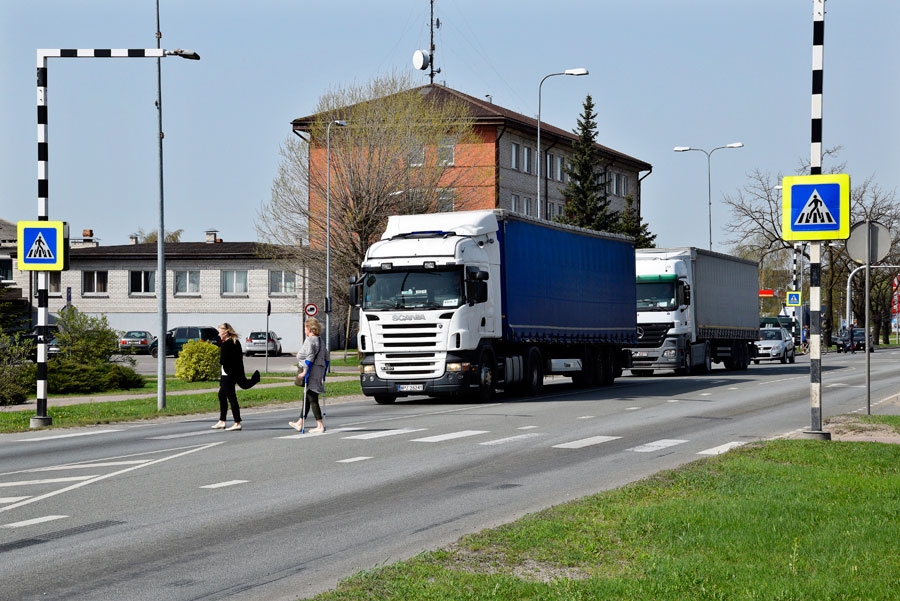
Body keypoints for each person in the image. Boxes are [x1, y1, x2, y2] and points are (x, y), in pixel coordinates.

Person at [212, 322, 261, 431]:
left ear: (225, 332)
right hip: (231, 373)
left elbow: (222, 361)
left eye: (219, 332)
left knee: (231, 398)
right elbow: (238, 360)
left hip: (228, 375)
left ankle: (237, 422)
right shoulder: (235, 342)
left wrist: (223, 360)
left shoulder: (226, 344)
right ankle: (222, 421)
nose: (218, 334)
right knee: (222, 395)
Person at [289, 317, 329, 434]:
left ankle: (320, 425)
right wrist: (324, 372)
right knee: (307, 396)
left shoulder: (310, 341)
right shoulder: (320, 341)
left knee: (312, 397)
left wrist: (305, 372)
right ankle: (300, 422)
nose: (304, 330)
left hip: (311, 371)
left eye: (305, 328)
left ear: (310, 329)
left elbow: (310, 357)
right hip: (318, 371)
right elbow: (327, 357)